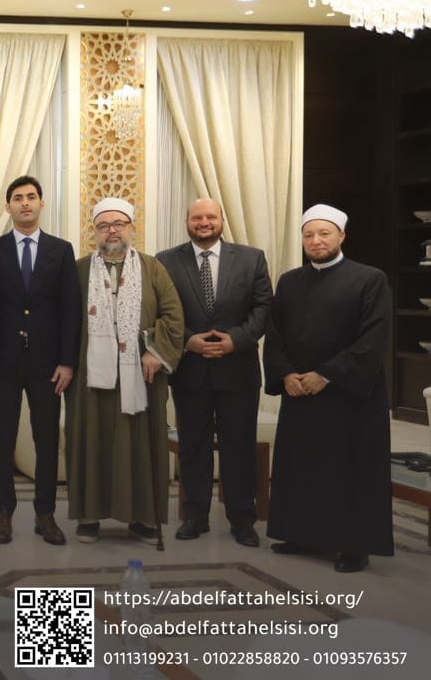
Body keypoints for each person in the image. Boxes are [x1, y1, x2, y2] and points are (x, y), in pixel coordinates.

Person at [263, 204, 393, 573]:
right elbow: (274, 334)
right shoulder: (289, 281)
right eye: (309, 235)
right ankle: (300, 534)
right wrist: (286, 374)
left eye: (324, 233)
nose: (316, 241)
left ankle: (354, 545)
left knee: (349, 470)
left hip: (349, 396)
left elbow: (373, 338)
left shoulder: (370, 279)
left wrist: (327, 374)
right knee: (302, 467)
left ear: (341, 236)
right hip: (300, 392)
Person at [64, 198, 183, 544]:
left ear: (131, 227)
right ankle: (89, 516)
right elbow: (62, 320)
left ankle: (143, 519)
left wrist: (156, 352)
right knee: (90, 442)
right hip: (90, 376)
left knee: (141, 446)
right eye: (103, 226)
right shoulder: (78, 270)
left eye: (119, 224)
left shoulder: (152, 268)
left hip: (141, 376)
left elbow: (174, 316)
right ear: (94, 231)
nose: (112, 231)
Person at [157, 198, 272, 547]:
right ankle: (195, 517)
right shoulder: (166, 261)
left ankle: (242, 520)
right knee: (193, 446)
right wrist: (188, 341)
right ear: (187, 222)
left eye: (210, 217)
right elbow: (160, 311)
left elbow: (264, 307)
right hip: (190, 370)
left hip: (238, 370)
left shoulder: (251, 258)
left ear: (221, 220)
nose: (204, 222)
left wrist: (236, 340)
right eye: (197, 218)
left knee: (239, 446)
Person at [0, 176, 80, 547]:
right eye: (18, 198)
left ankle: (45, 515)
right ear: (7, 207)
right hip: (1, 362)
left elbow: (71, 310)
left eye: (31, 197)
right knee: (2, 441)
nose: (25, 203)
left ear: (41, 204)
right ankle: (3, 514)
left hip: (48, 365)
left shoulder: (61, 250)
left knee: (47, 441)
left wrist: (67, 362)